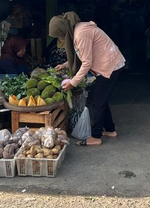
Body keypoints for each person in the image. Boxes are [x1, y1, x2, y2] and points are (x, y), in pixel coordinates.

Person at [49, 12, 125, 147]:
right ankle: (110, 129)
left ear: (63, 30)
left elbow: (87, 62)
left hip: (110, 66)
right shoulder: (78, 30)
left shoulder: (80, 34)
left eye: (59, 36)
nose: (60, 39)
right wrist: (66, 64)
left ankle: (96, 137)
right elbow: (83, 54)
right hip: (108, 64)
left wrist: (73, 82)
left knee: (98, 102)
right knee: (101, 99)